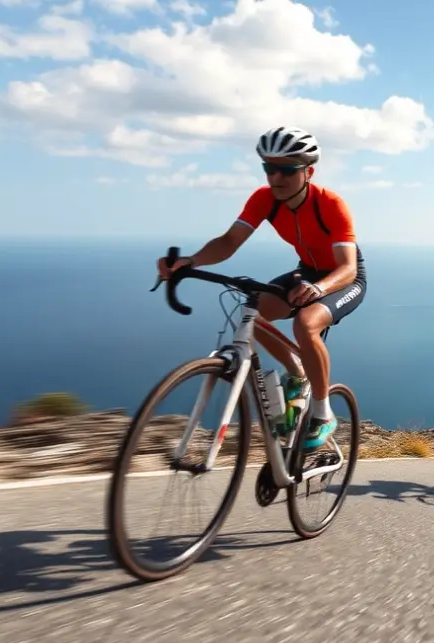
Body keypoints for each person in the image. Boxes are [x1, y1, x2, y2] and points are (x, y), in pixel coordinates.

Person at [156, 126, 367, 453]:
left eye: (286, 169)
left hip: (342, 279)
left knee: (305, 325)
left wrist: (319, 287)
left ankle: (324, 414)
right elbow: (228, 243)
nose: (276, 177)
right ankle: (297, 373)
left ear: (308, 171)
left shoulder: (330, 204)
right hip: (306, 273)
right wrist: (191, 261)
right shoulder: (264, 200)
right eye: (269, 168)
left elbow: (348, 268)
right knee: (253, 314)